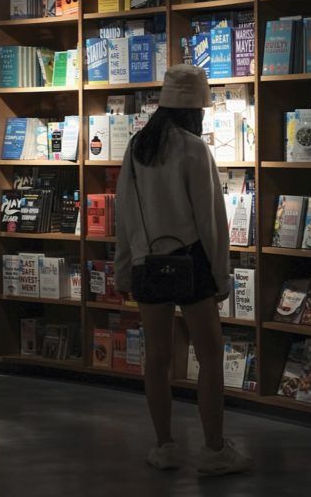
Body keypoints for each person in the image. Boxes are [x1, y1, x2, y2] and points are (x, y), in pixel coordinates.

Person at [114, 64, 252, 476]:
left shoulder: (137, 147)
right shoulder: (194, 148)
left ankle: (165, 446)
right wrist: (221, 274)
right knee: (209, 354)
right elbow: (211, 220)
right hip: (191, 261)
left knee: (156, 358)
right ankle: (213, 450)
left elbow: (124, 215)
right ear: (195, 109)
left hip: (146, 263)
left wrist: (125, 269)